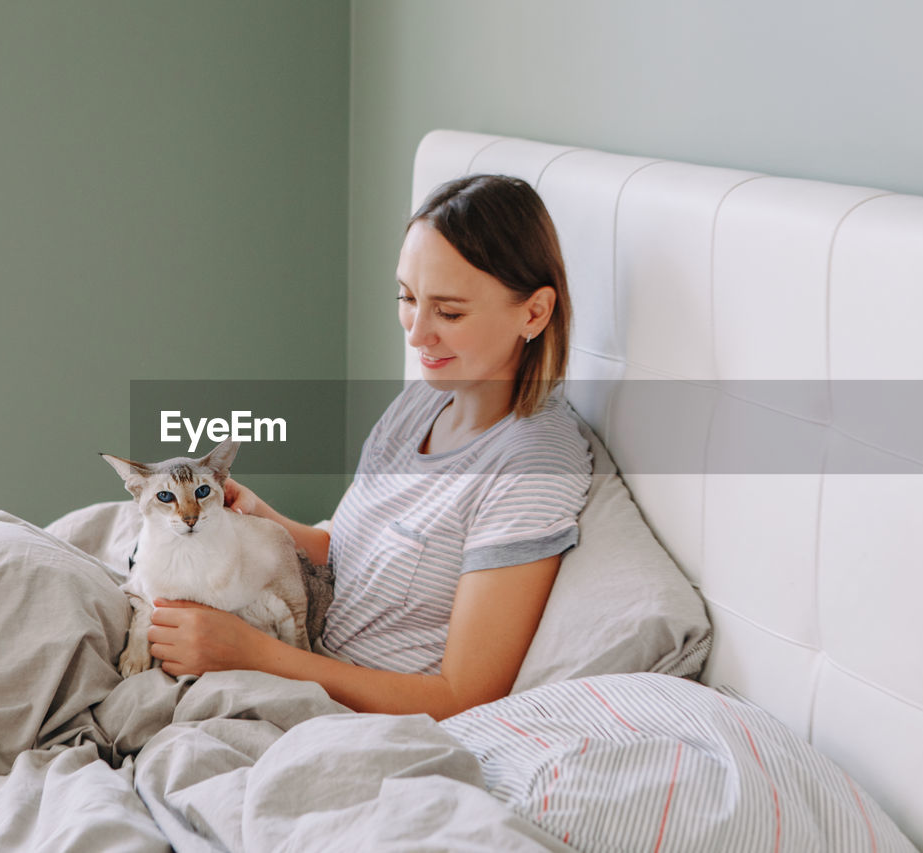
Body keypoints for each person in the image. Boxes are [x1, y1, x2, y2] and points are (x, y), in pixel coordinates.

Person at [146, 175, 592, 720]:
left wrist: (254, 655)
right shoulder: (421, 404)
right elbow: (346, 552)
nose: (416, 334)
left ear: (535, 313)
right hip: (294, 652)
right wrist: (258, 516)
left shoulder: (532, 465)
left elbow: (464, 697)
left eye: (449, 313)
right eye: (407, 298)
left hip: (343, 713)